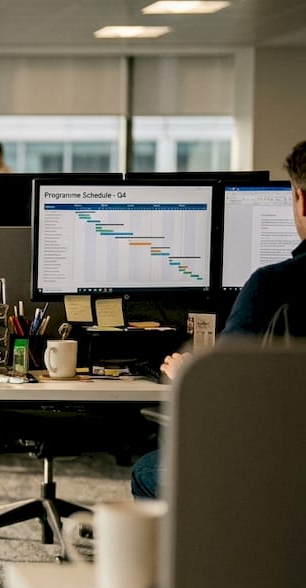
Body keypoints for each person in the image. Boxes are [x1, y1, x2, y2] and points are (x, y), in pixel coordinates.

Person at [131, 140, 306, 499]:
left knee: (146, 470)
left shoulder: (271, 287)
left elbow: (222, 397)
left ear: (302, 201)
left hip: (273, 473)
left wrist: (189, 375)